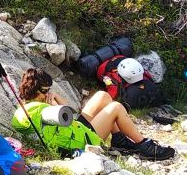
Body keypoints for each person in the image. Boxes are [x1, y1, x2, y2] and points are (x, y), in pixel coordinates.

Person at [13, 68, 174, 160]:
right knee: (116, 107)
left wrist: (55, 98)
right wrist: (53, 105)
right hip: (81, 141)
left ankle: (119, 140)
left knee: (102, 96)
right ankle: (145, 146)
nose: (49, 93)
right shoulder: (44, 110)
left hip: (76, 130)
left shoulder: (29, 106)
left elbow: (71, 113)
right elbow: (67, 120)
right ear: (39, 91)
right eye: (47, 91)